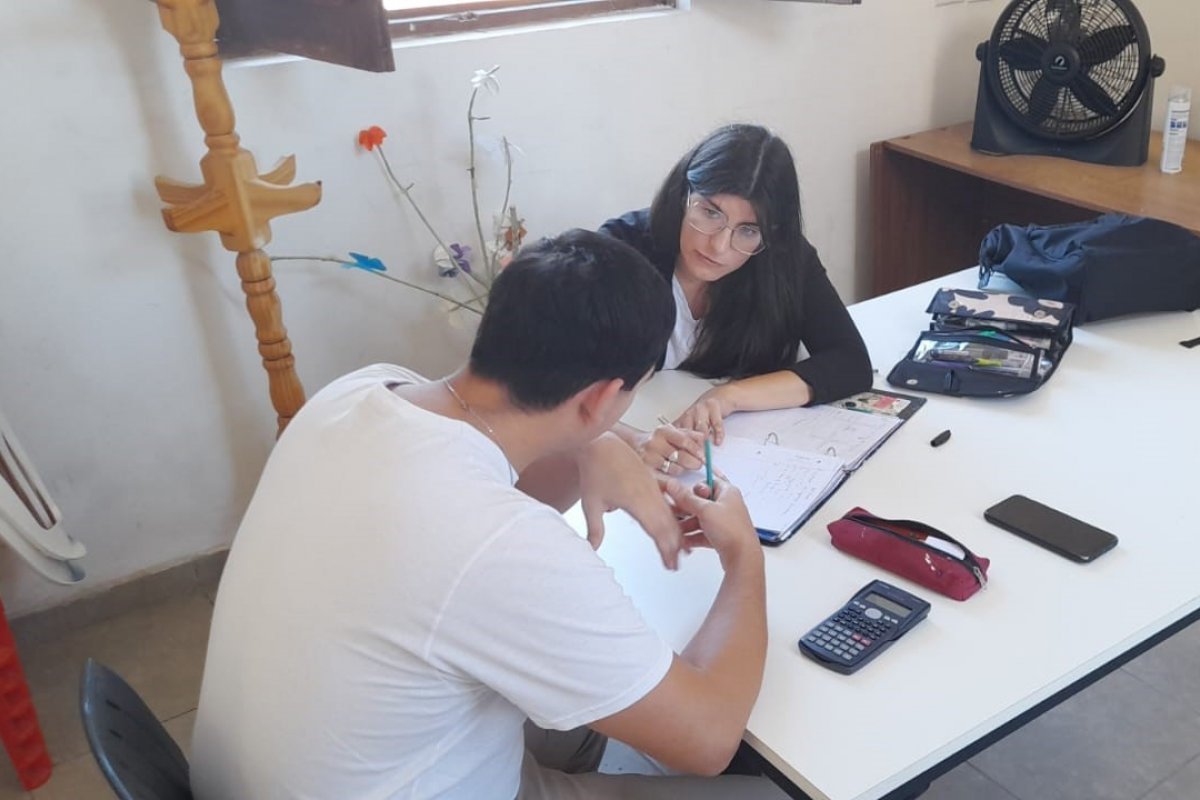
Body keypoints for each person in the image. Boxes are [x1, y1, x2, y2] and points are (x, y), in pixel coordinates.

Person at [189, 229, 787, 799]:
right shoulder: (504, 542)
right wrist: (742, 556)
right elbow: (708, 740)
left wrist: (594, 443)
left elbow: (469, 548)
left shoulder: (359, 393)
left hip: (259, 776)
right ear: (604, 396)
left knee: (584, 710)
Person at [601, 124, 873, 476]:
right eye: (710, 213)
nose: (718, 246)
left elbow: (850, 362)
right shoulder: (621, 251)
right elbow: (552, 388)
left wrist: (728, 397)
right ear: (683, 194)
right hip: (627, 456)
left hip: (737, 459)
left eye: (748, 230)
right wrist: (634, 442)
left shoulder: (783, 258)